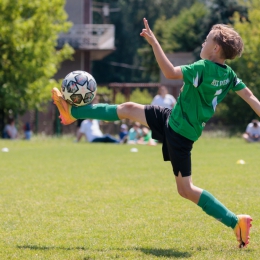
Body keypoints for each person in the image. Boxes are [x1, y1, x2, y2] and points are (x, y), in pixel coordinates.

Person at [51, 18, 257, 248]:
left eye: (207, 39)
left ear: (216, 48)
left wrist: (154, 43)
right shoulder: (229, 75)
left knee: (185, 190)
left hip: (180, 134)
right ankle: (74, 114)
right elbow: (249, 97)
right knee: (128, 109)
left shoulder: (202, 68)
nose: (203, 42)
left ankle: (235, 221)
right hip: (173, 119)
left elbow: (169, 73)